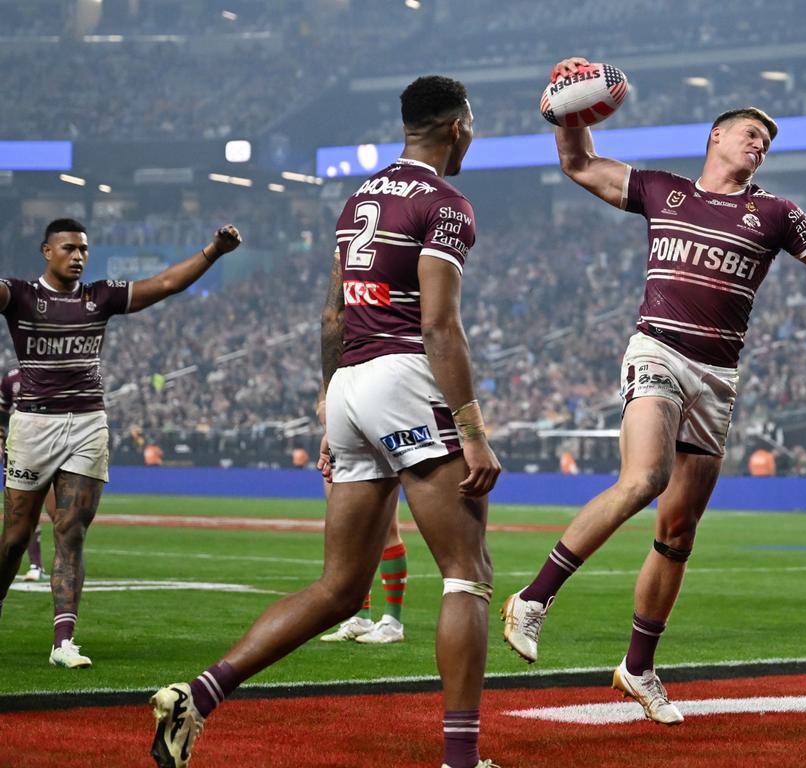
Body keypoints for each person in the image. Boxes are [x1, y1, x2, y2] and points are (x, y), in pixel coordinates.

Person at [501, 55, 806, 726]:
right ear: (715, 138)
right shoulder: (661, 190)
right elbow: (580, 164)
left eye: (765, 141)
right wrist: (561, 115)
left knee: (678, 533)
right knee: (644, 477)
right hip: (658, 350)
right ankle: (534, 598)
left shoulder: (776, 215)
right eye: (747, 133)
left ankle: (639, 668)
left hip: (718, 377)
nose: (758, 144)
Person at [151, 75, 501, 768]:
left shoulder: (357, 199)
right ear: (457, 125)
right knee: (467, 573)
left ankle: (199, 696)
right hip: (405, 377)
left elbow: (334, 316)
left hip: (348, 387)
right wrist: (472, 427)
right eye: (472, 126)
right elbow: (438, 325)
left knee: (340, 589)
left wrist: (328, 406)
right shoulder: (446, 203)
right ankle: (461, 761)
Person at [0, 218, 241, 669]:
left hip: (88, 424)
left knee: (70, 532)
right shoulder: (20, 294)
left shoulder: (100, 296)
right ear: (46, 251)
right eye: (69, 248)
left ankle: (63, 641)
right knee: (14, 538)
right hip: (33, 426)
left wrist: (214, 252)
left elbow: (167, 282)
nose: (79, 256)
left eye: (84, 249)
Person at [315, 389, 410, 645]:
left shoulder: (374, 357)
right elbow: (323, 399)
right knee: (349, 535)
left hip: (375, 439)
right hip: (343, 446)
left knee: (387, 530)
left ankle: (392, 621)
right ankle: (360, 617)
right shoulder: (338, 361)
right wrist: (328, 418)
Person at [0, 367, 56, 581]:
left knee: (56, 511)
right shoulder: (10, 378)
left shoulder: (52, 373)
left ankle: (62, 562)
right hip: (19, 450)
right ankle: (36, 564)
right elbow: (3, 411)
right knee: (23, 512)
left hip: (50, 448)